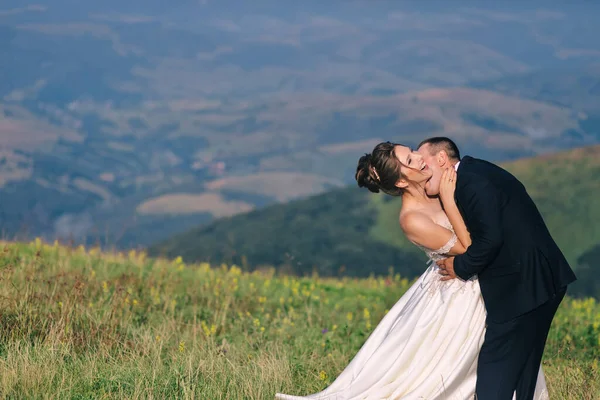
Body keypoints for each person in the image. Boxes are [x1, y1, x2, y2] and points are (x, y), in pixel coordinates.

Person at [274, 140, 552, 400]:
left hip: (483, 279)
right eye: (410, 158)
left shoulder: (436, 189)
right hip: (458, 291)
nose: (420, 157)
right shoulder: (412, 219)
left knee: (503, 356)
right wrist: (450, 198)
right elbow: (468, 247)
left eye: (413, 153)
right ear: (400, 180)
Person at [419, 137, 576, 399]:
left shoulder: (472, 183)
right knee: (524, 368)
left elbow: (490, 240)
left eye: (424, 164)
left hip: (523, 287)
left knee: (496, 365)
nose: (422, 173)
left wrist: (459, 266)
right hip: (540, 280)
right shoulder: (475, 171)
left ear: (442, 159)